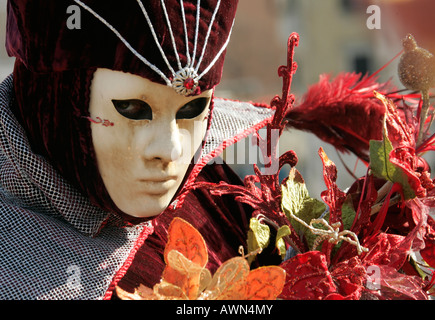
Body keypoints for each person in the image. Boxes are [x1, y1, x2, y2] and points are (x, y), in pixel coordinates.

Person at [0, 0, 275, 299]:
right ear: (57, 97)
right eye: (132, 108)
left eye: (192, 109)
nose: (171, 150)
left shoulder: (215, 190)